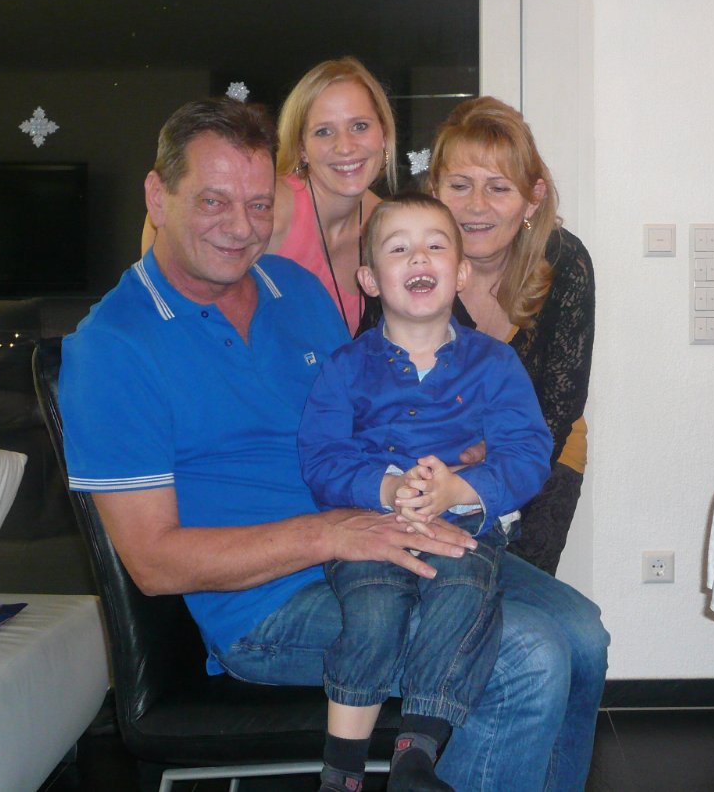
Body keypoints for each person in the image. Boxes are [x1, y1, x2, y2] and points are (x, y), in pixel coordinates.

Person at [62, 96, 608, 792]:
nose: (240, 227)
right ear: (156, 196)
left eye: (259, 205)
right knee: (526, 658)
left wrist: (458, 456)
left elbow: (371, 410)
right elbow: (153, 563)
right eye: (213, 202)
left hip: (390, 530)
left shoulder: (294, 290)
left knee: (582, 635)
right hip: (270, 599)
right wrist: (332, 533)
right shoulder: (112, 348)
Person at [299, 194, 552, 792]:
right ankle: (341, 772)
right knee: (373, 610)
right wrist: (387, 487)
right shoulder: (344, 367)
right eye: (399, 248)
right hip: (369, 523)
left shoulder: (496, 364)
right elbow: (321, 457)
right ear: (369, 279)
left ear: (460, 273)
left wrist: (460, 486)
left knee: (463, 592)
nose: (419, 257)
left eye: (436, 245)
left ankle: (416, 754)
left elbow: (527, 452)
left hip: (460, 523)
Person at [429, 97, 596, 577]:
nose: (476, 205)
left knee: (516, 592)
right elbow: (375, 377)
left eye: (498, 187)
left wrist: (496, 460)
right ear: (435, 189)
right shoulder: (410, 259)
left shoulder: (564, 261)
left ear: (533, 197)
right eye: (460, 185)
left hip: (542, 449)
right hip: (433, 452)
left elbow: (560, 404)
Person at [142, 56, 394, 336]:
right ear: (301, 148)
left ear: (383, 133)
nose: (345, 146)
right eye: (324, 131)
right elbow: (168, 216)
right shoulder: (269, 206)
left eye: (360, 126)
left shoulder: (390, 224)